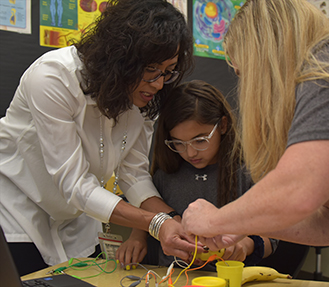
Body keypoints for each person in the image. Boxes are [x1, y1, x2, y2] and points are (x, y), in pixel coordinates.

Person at [181, 0, 329, 266]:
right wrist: (239, 225)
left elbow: (298, 189)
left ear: (265, 60)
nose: (245, 87)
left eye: (243, 72)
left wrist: (215, 220)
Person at [0, 0, 199, 276]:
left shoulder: (144, 97)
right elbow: (75, 185)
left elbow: (133, 176)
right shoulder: (53, 79)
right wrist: (156, 223)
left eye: (168, 70)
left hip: (75, 221)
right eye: (152, 68)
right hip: (17, 211)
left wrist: (175, 220)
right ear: (122, 56)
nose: (158, 82)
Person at [115, 80, 278, 269]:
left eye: (200, 141)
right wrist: (137, 236)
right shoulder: (166, 174)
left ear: (223, 125)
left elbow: (272, 237)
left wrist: (246, 245)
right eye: (179, 143)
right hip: (173, 277)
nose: (190, 153)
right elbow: (149, 212)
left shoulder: (248, 172)